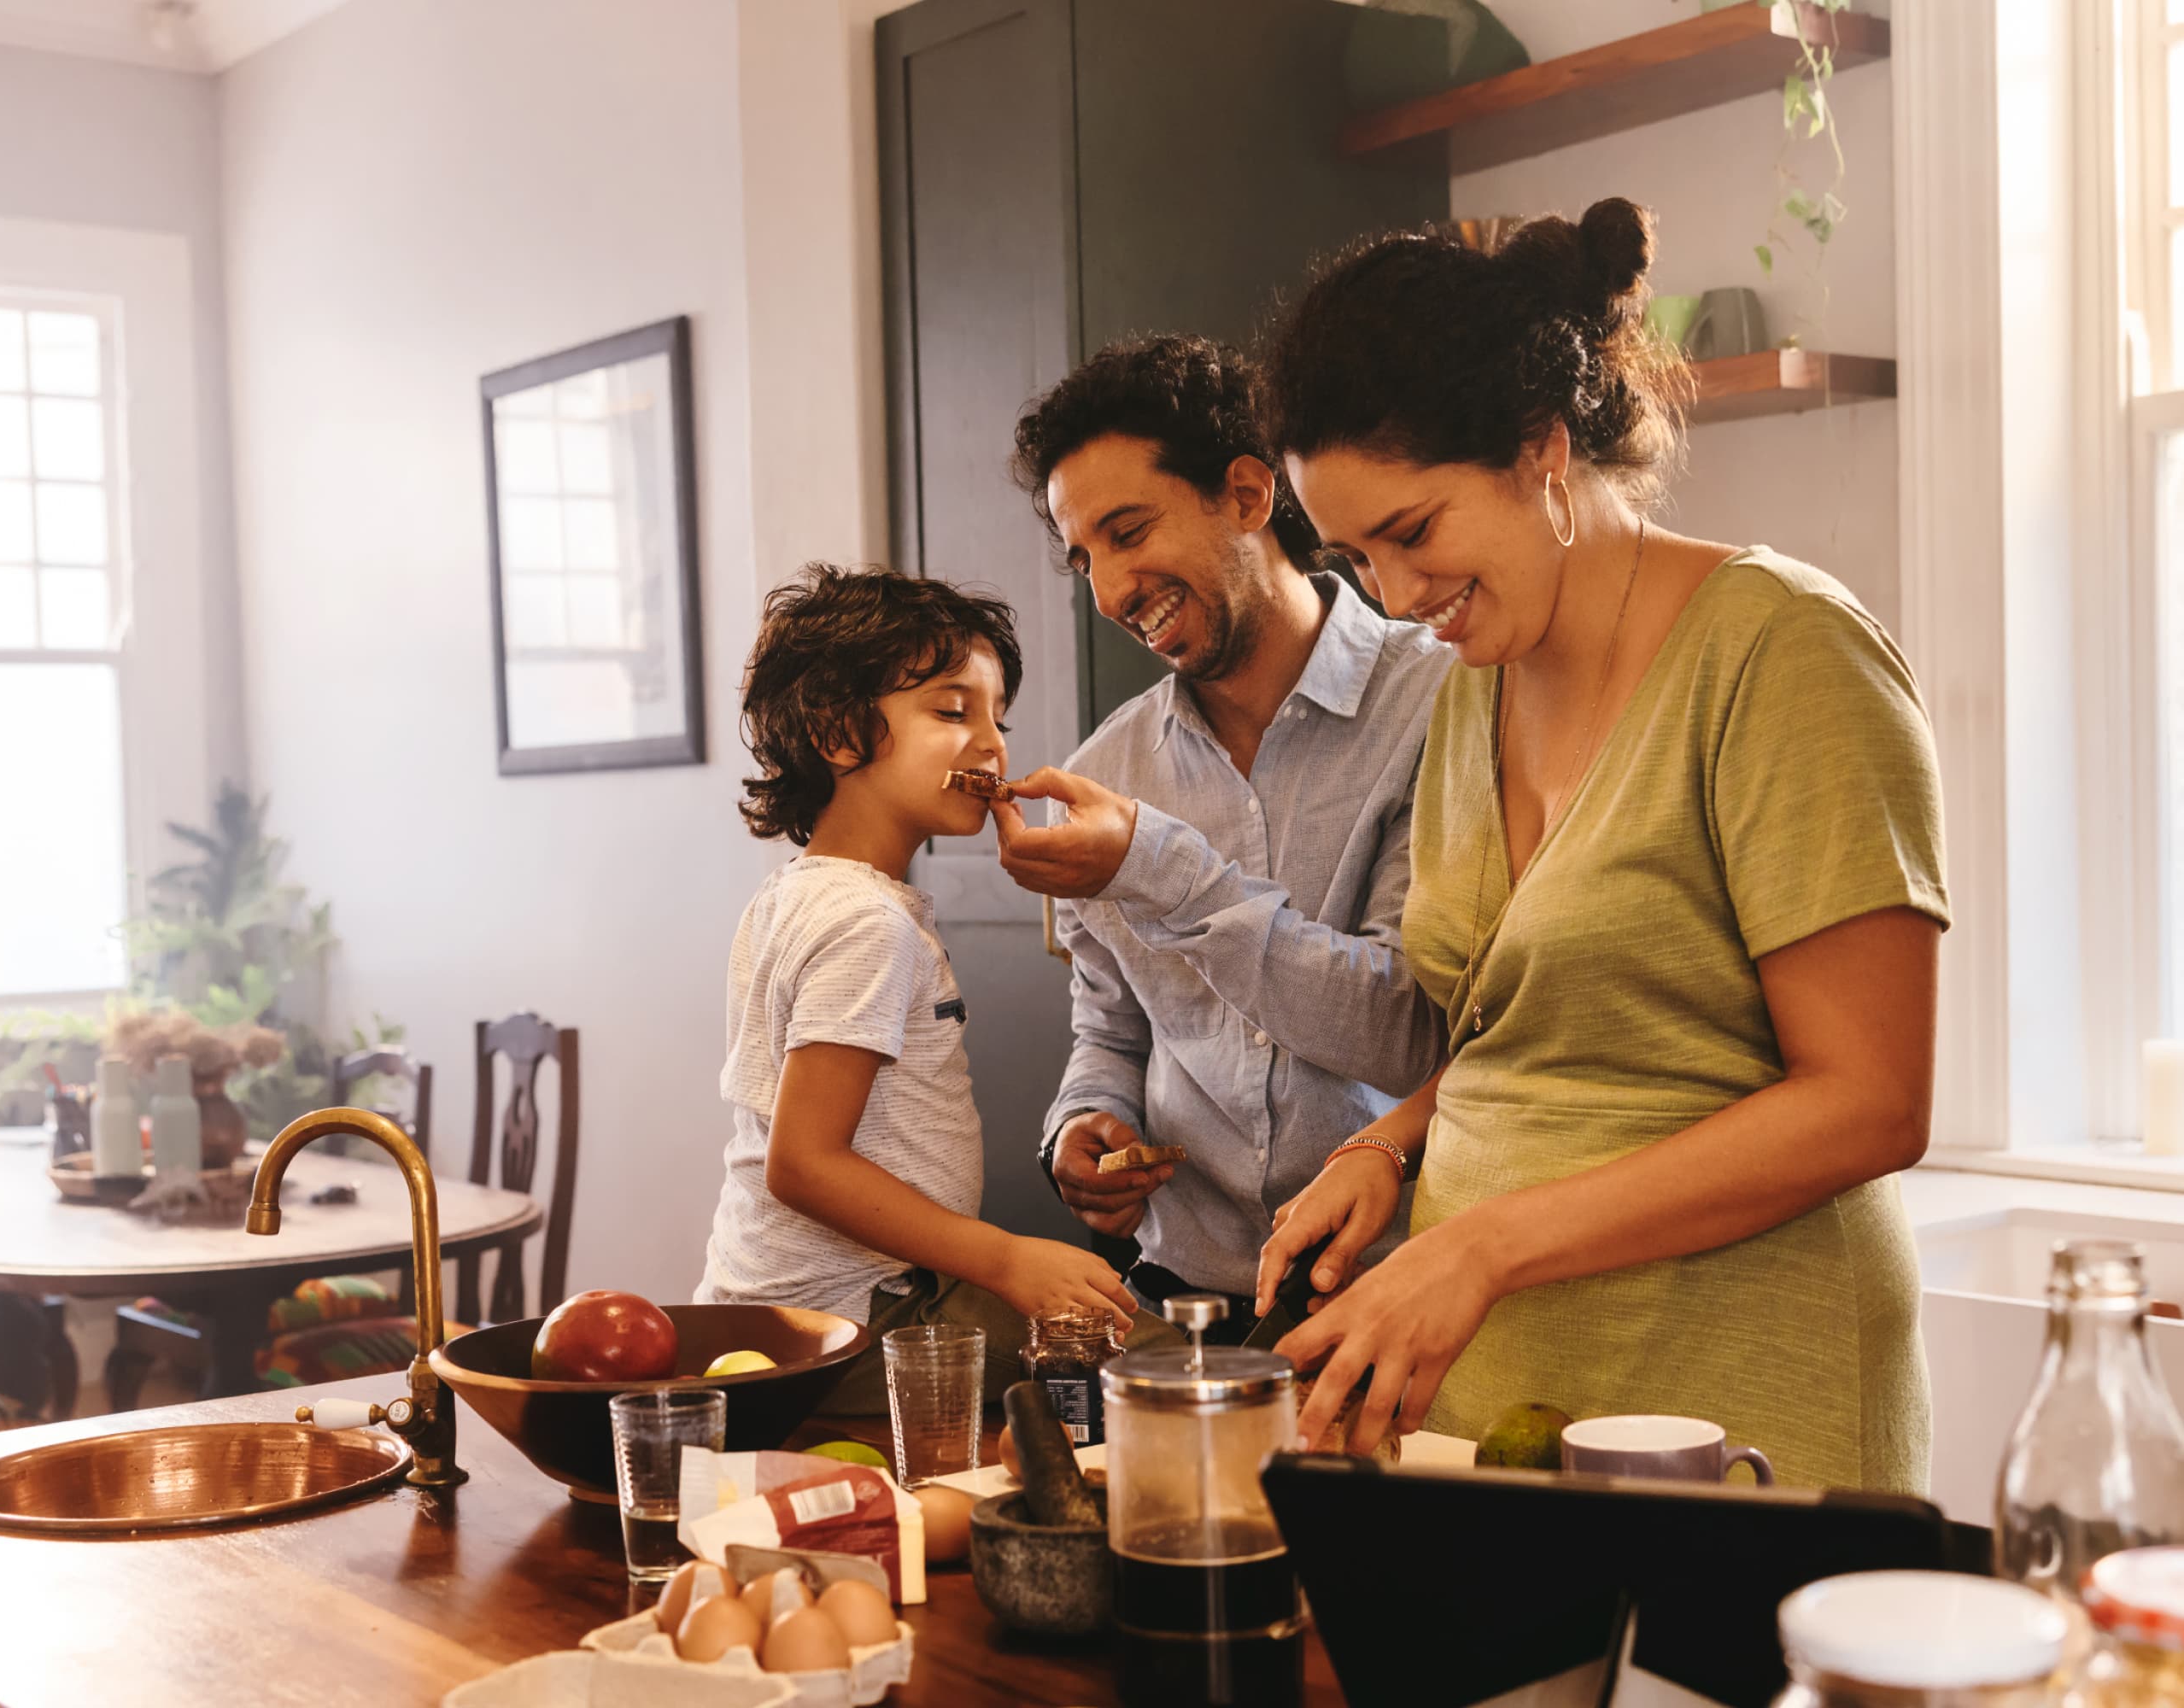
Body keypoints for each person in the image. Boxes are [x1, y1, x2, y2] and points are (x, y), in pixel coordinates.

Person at [1253, 201, 1947, 1493]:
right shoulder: (1473, 684)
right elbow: (1555, 1027)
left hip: (1739, 1401)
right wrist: (1391, 1142)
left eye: (1412, 532)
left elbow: (1873, 1100)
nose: (1395, 599)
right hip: (1499, 1409)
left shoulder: (1783, 652)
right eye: (1353, 558)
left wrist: (1482, 1248)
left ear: (1542, 448)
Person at [995, 335, 1451, 1335]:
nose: (1111, 591)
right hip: (1185, 1305)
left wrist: (1158, 867)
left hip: (1398, 1300)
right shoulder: (1107, 771)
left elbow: (1406, 1031)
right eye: (1084, 559)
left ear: (1247, 495)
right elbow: (1110, 1030)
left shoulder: (1443, 701)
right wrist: (1079, 1127)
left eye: (1128, 530)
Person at [697, 565, 1174, 1410]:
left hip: (791, 1307)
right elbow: (803, 1164)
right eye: (952, 710)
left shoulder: (797, 892)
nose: (991, 744)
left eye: (998, 716)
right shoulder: (866, 925)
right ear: (840, 733)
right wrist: (1008, 1259)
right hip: (861, 1316)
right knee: (1172, 1365)